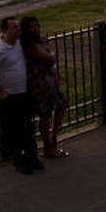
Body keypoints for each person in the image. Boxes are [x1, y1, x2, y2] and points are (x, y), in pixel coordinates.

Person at [0, 17, 41, 174]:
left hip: (22, 92)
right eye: (14, 27)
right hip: (8, 97)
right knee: (12, 131)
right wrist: (1, 91)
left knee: (27, 127)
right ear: (5, 31)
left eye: (18, 27)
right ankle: (19, 161)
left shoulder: (18, 43)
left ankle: (32, 158)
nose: (18, 29)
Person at [19, 17, 68, 159]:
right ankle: (48, 147)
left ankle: (53, 138)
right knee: (45, 114)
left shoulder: (39, 41)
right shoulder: (29, 45)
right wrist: (50, 57)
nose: (34, 29)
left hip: (49, 81)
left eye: (36, 26)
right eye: (31, 27)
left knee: (61, 104)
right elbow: (49, 58)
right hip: (39, 84)